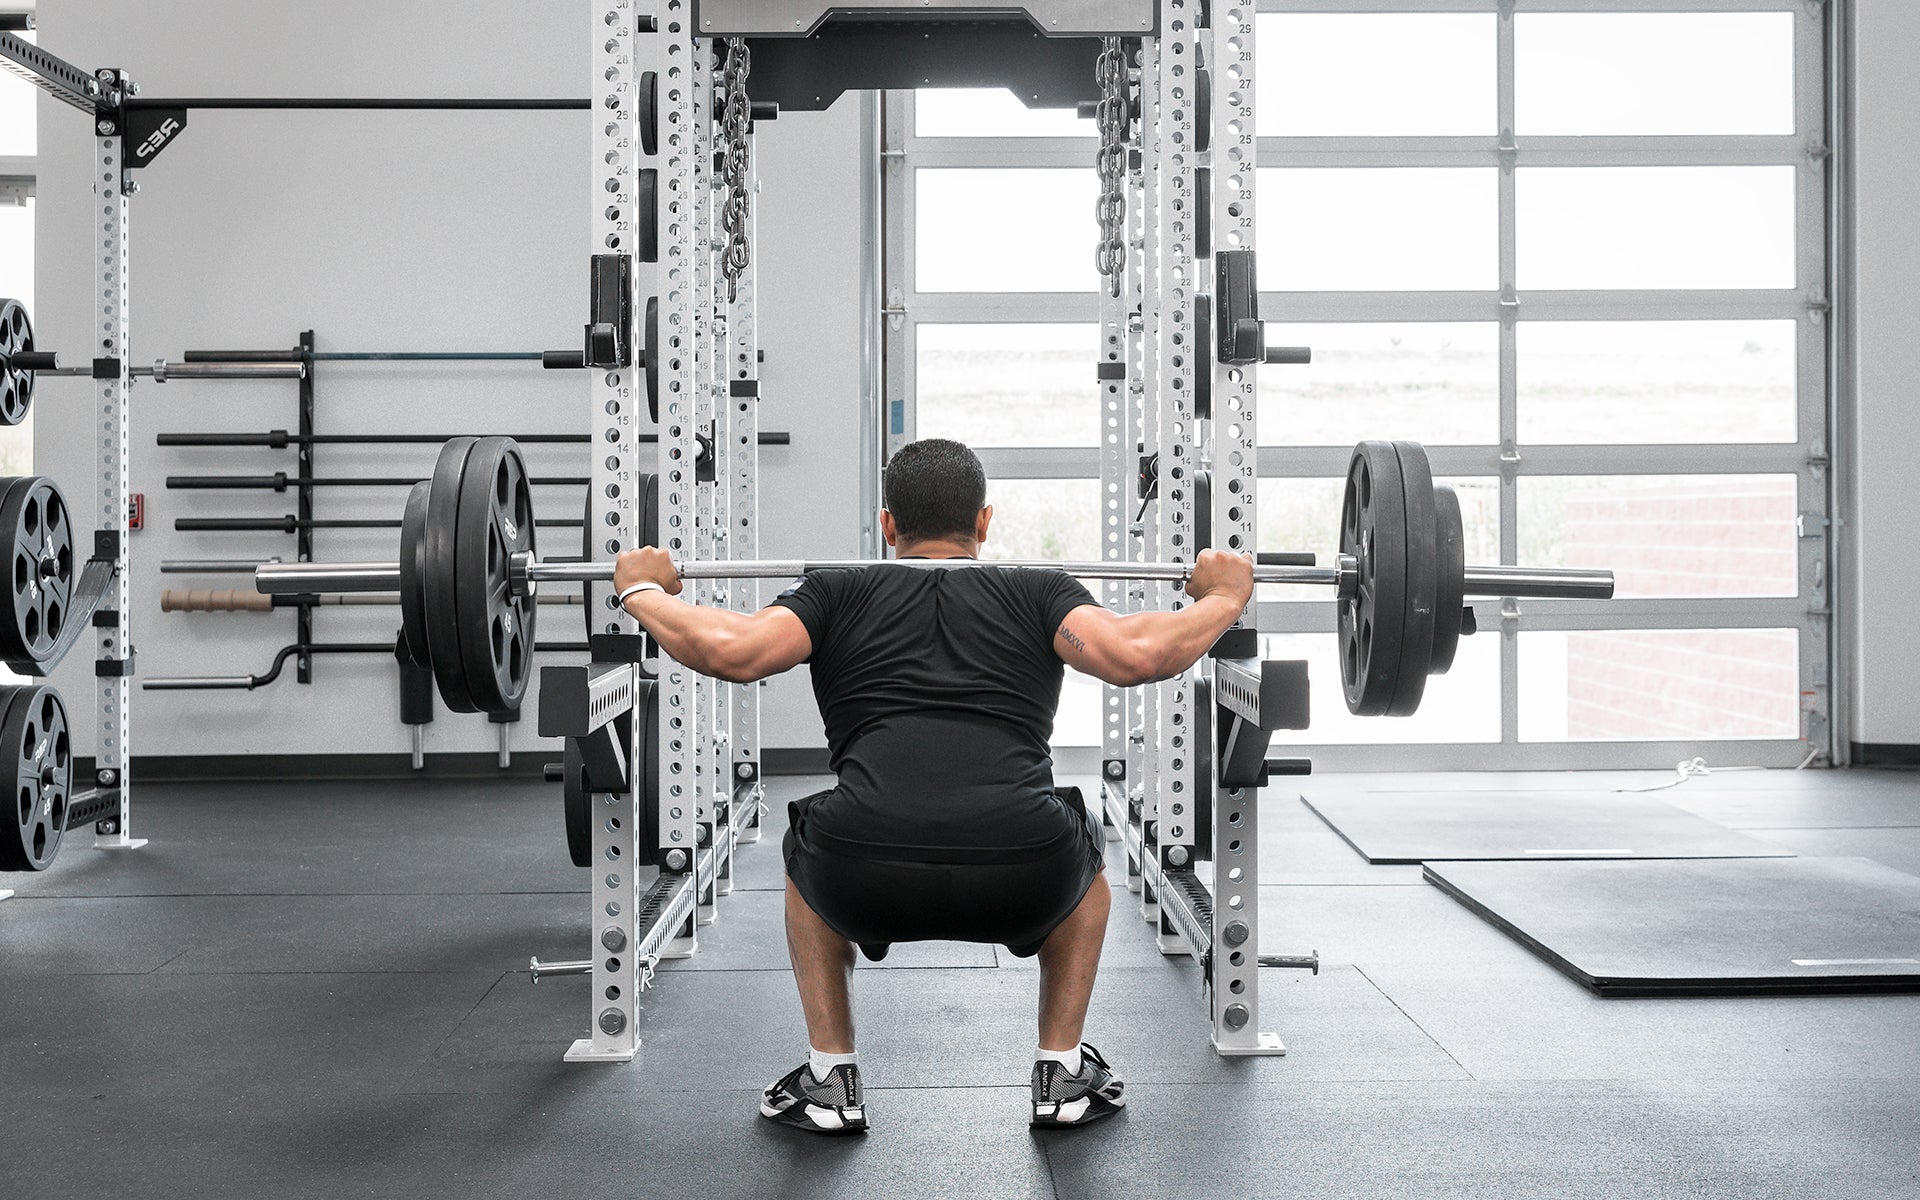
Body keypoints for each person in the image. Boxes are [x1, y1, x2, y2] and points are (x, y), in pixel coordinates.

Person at [611, 438, 1255, 1135]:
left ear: (887, 527)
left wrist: (641, 588)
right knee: (1082, 845)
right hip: (1025, 862)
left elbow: (732, 652)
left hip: (861, 866)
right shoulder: (1039, 591)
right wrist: (1223, 595)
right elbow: (1139, 654)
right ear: (983, 523)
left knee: (808, 838)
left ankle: (830, 1079)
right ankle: (1062, 1070)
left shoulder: (836, 589)